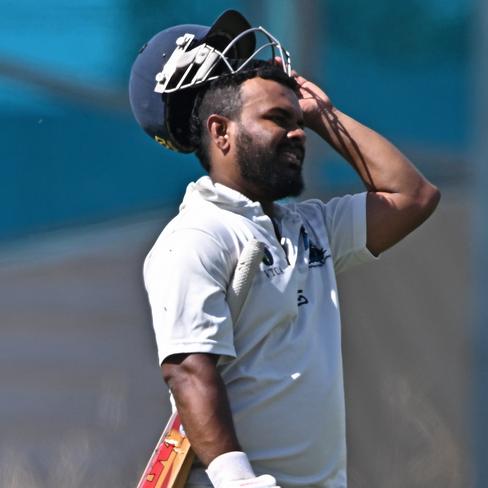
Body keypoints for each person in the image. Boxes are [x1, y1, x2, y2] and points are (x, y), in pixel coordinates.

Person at [129, 9, 440, 488]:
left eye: (298, 120)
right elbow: (189, 371)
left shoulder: (309, 227)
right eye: (279, 119)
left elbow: (412, 197)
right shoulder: (196, 238)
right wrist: (239, 483)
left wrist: (323, 116)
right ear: (220, 132)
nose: (297, 132)